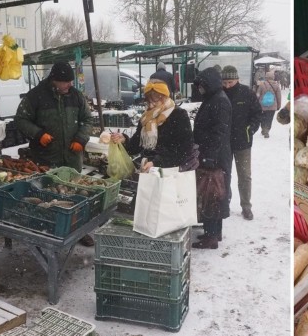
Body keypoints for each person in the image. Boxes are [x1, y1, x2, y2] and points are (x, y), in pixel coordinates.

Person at [14, 61, 92, 173]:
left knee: (73, 188)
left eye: (71, 81)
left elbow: (87, 119)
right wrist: (38, 134)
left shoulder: (76, 96)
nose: (70, 84)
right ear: (54, 80)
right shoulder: (35, 96)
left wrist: (81, 139)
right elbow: (20, 120)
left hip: (72, 160)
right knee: (48, 187)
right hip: (45, 159)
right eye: (66, 82)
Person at [110, 79, 195, 171]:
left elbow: (184, 150)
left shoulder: (178, 115)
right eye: (148, 102)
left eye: (155, 101)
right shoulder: (146, 117)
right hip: (148, 168)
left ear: (165, 98)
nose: (151, 106)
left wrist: (157, 162)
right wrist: (124, 140)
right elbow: (136, 146)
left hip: (170, 171)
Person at [192, 67, 232, 249]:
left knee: (212, 195)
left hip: (215, 157)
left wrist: (210, 156)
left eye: (202, 85)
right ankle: (214, 233)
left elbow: (219, 132)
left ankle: (212, 236)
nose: (200, 89)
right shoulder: (213, 98)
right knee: (213, 194)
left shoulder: (219, 101)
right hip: (212, 154)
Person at [221, 65, 262, 221]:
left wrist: (250, 129)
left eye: (230, 82)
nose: (227, 85)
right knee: (225, 174)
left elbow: (257, 113)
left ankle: (246, 205)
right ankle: (225, 202)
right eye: (225, 83)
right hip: (224, 142)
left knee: (244, 175)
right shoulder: (220, 93)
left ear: (237, 79)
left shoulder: (246, 93)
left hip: (243, 142)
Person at [255, 71, 282, 138]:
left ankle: (263, 129)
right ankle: (267, 130)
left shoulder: (262, 85)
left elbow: (257, 94)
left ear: (266, 77)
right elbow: (279, 97)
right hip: (272, 106)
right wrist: (278, 105)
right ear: (273, 77)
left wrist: (257, 103)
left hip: (262, 105)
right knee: (269, 119)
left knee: (263, 118)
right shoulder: (276, 86)